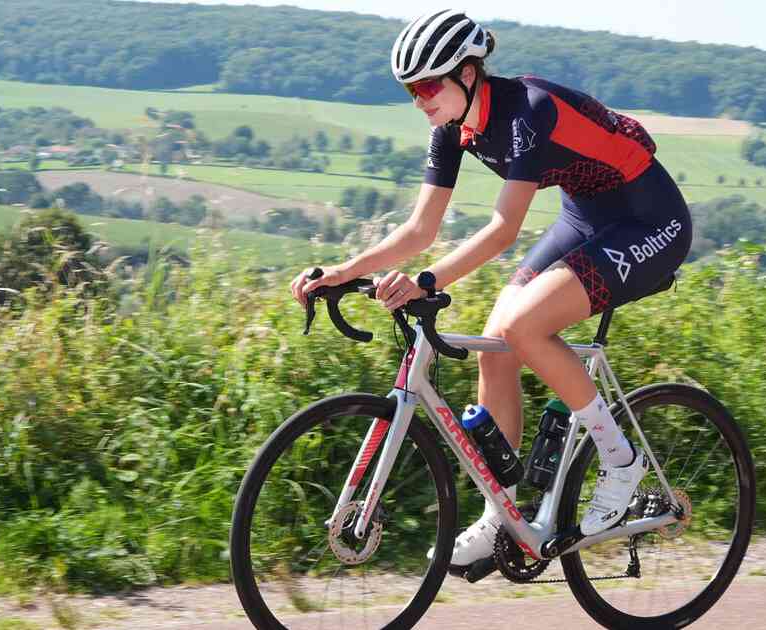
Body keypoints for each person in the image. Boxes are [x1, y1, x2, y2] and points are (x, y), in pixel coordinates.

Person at [291, 9, 692, 571]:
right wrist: (339, 270)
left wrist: (427, 281)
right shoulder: (451, 128)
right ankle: (500, 514)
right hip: (586, 216)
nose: (419, 99)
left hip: (649, 220)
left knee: (526, 325)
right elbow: (419, 230)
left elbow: (504, 228)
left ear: (470, 72)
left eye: (429, 84)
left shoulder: (527, 110)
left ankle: (621, 461)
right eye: (411, 89)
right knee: (496, 342)